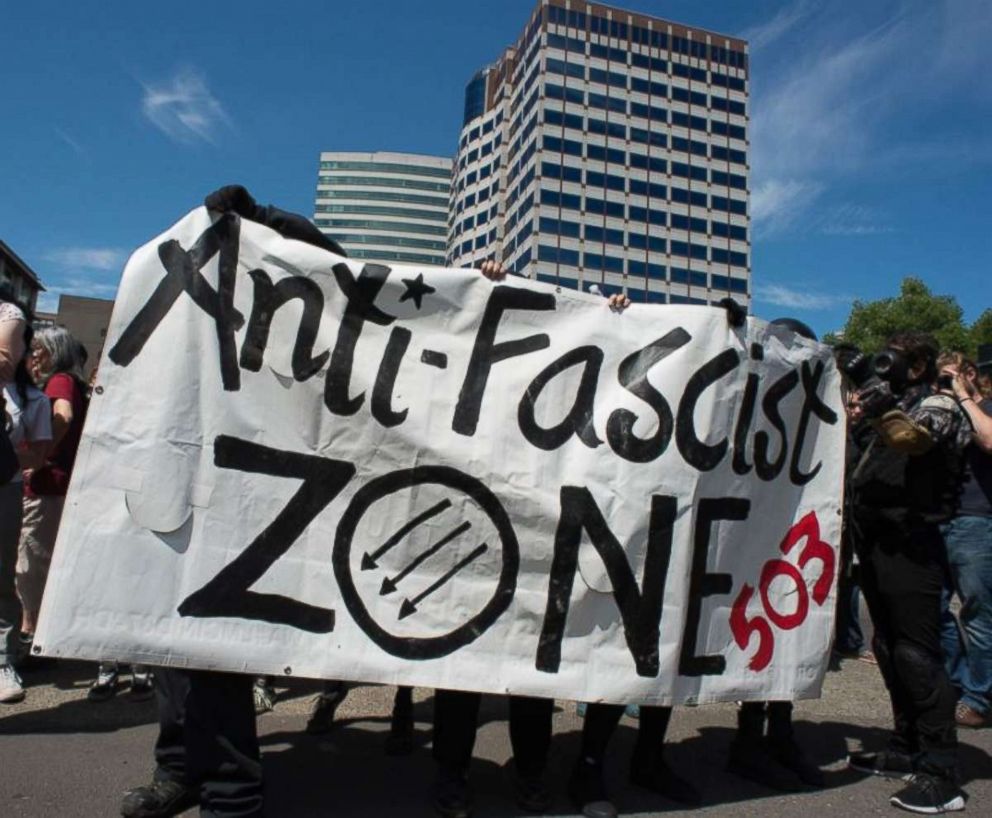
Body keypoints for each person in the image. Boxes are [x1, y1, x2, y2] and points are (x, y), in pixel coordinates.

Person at [122, 185, 349, 818]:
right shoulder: (200, 296)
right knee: (168, 641)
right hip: (189, 470)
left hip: (257, 486)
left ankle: (231, 789)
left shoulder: (291, 294)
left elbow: (342, 271)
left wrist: (264, 218)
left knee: (215, 643)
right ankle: (178, 768)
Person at [845, 332, 972, 814]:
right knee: (888, 647)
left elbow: (909, 440)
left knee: (918, 654)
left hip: (914, 542)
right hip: (878, 540)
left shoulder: (938, 404)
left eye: (894, 359)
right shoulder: (893, 403)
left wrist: (877, 405)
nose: (884, 366)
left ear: (918, 366)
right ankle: (904, 747)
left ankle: (942, 772)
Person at [17, 327, 88, 642]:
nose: (33, 355)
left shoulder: (60, 381)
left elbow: (64, 415)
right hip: (53, 483)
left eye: (38, 349)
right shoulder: (70, 382)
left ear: (54, 351)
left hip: (47, 484)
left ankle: (30, 630)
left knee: (31, 559)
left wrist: (40, 456)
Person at [936, 352, 992, 729]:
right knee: (932, 609)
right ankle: (956, 684)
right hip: (938, 519)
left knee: (978, 614)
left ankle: (980, 698)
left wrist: (962, 396)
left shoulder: (982, 407)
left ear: (971, 374)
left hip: (977, 521)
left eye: (953, 375)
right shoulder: (941, 406)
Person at [0, 316, 52, 704]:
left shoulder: (30, 399)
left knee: (5, 575)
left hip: (6, 486)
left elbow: (40, 447)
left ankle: (3, 658)